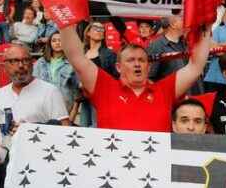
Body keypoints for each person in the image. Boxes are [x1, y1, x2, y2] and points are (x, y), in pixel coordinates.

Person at [59, 22, 212, 131]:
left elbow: (196, 66)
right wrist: (65, 20)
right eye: (131, 60)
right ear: (118, 67)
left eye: (142, 60)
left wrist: (207, 24)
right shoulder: (104, 87)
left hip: (155, 170)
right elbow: (77, 57)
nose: (137, 64)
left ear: (149, 66)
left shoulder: (165, 89)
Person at [0, 44, 70, 188]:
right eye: (14, 61)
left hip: (36, 169)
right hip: (5, 168)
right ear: (5, 65)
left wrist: (31, 131)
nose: (21, 66)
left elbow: (65, 130)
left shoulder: (49, 91)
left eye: (25, 60)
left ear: (32, 63)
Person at [33, 32, 80, 119]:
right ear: (50, 44)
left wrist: (74, 111)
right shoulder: (41, 62)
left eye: (60, 40)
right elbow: (33, 84)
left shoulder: (72, 63)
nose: (57, 43)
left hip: (64, 106)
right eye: (54, 41)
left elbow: (77, 90)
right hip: (43, 105)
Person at [147, 17, 199, 95]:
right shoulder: (157, 46)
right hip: (169, 99)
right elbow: (149, 77)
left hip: (189, 97)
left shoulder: (186, 44)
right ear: (173, 24)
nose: (187, 21)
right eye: (182, 19)